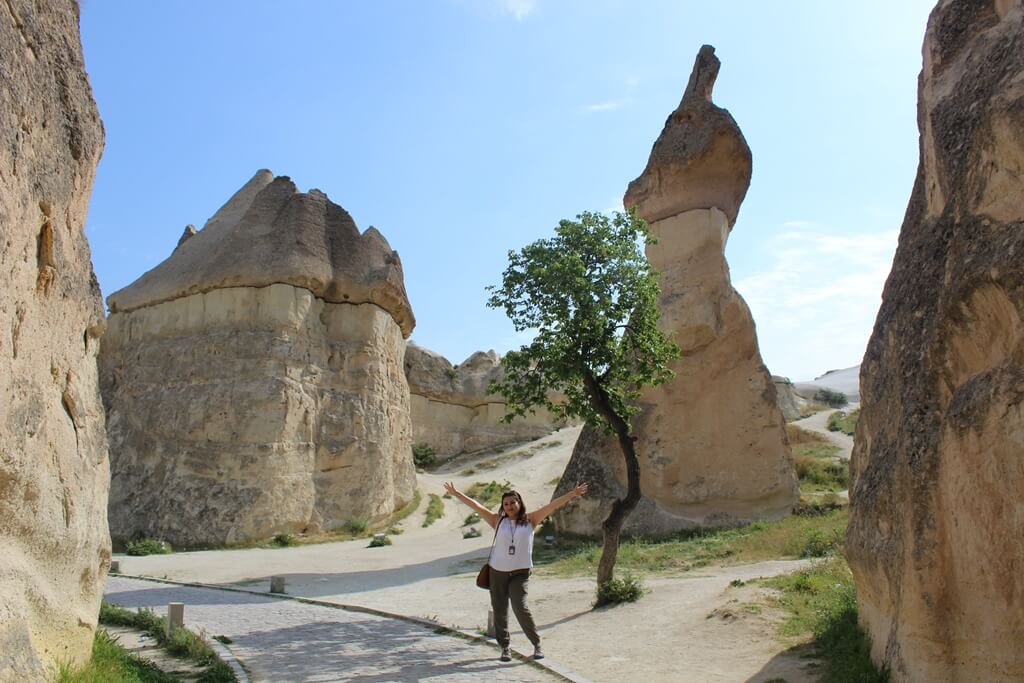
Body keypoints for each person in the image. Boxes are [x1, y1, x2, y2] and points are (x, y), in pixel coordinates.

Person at [443, 480, 589, 662]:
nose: (510, 506)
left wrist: (572, 494)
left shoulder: (531, 520)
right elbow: (477, 506)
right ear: (502, 507)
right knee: (499, 609)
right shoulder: (498, 521)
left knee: (520, 606)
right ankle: (505, 647)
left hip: (520, 573)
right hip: (497, 572)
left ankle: (536, 644)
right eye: (506, 504)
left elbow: (552, 506)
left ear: (519, 503)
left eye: (513, 502)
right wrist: (457, 494)